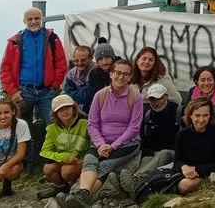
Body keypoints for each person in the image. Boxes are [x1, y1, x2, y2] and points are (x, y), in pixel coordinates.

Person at [63, 59, 143, 208]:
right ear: (111, 74)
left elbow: (134, 128)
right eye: (118, 73)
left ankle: (76, 197)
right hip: (101, 142)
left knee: (105, 165)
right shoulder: (100, 95)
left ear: (130, 77)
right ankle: (83, 197)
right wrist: (100, 144)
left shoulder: (135, 96)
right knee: (90, 160)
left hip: (127, 143)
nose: (121, 77)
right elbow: (93, 124)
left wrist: (112, 146)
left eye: (126, 74)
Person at [0, 7, 68, 125]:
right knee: (21, 129)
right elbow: (5, 70)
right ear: (24, 21)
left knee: (55, 125)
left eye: (37, 18)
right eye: (29, 19)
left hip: (47, 91)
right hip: (23, 92)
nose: (33, 21)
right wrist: (13, 92)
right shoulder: (15, 42)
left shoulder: (52, 38)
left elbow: (61, 64)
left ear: (42, 19)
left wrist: (54, 86)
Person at [170, 98, 215, 195]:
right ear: (190, 116)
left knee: (185, 185)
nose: (201, 120)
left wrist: (197, 170)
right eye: (197, 115)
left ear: (210, 116)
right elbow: (177, 161)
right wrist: (184, 167)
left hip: (207, 172)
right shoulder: (182, 134)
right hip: (187, 173)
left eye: (205, 115)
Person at [36, 95, 90, 200]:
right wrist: (63, 157)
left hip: (83, 160)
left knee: (67, 171)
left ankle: (77, 186)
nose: (65, 111)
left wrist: (83, 159)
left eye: (67, 107)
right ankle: (60, 187)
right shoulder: (52, 128)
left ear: (73, 108)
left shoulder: (86, 122)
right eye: (60, 109)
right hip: (65, 160)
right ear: (55, 113)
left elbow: (95, 143)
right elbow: (44, 151)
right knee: (48, 168)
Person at [182, 65, 215, 137]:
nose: (206, 83)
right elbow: (187, 116)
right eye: (202, 80)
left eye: (209, 80)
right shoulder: (192, 92)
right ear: (197, 82)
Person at [64, 45, 95, 114]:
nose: (79, 63)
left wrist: (75, 95)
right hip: (78, 109)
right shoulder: (71, 73)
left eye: (83, 60)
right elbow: (68, 93)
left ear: (91, 58)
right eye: (76, 60)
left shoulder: (96, 71)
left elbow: (89, 95)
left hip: (94, 108)